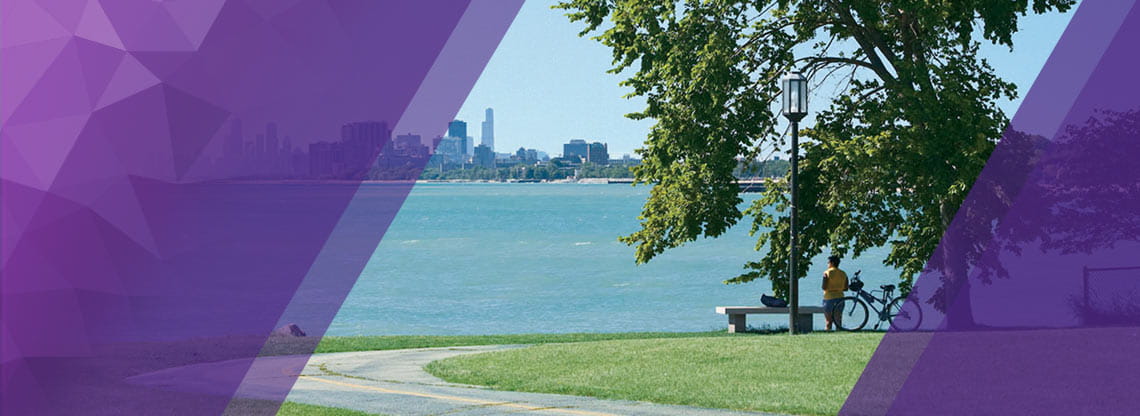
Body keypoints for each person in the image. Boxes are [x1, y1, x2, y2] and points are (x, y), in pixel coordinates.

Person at [821, 255, 849, 331]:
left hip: (829, 298)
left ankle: (827, 333)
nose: (827, 264)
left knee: (828, 321)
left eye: (828, 262)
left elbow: (824, 287)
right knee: (838, 321)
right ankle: (839, 334)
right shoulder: (843, 273)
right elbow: (846, 288)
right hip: (840, 297)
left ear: (832, 263)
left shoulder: (827, 273)